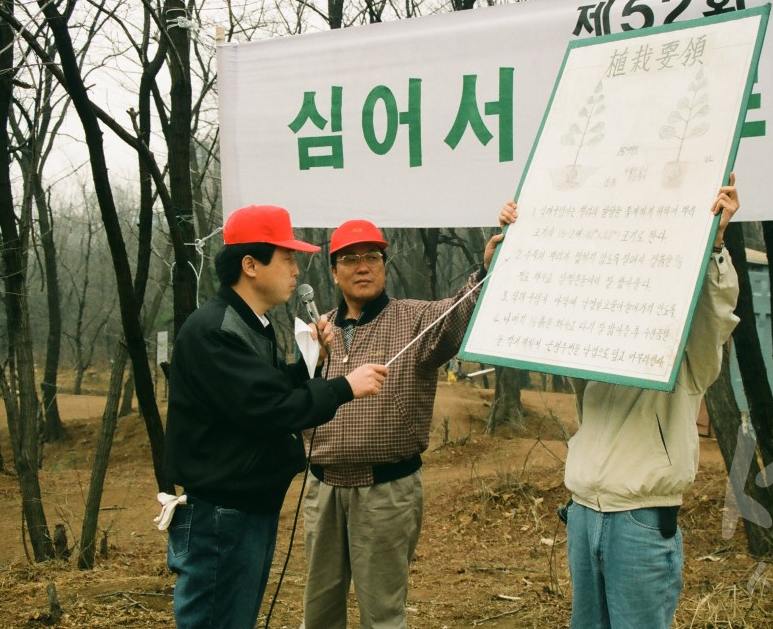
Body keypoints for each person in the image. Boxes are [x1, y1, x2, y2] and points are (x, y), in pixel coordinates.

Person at [162, 204, 388, 629]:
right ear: (250, 264)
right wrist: (344, 387)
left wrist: (308, 364)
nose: (296, 271)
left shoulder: (251, 323)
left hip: (244, 507)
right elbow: (267, 409)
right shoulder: (216, 329)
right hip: (221, 513)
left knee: (234, 617)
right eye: (286, 258)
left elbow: (258, 391)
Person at [301, 205, 515, 629]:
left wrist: (486, 270)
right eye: (350, 259)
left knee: (382, 612)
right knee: (319, 609)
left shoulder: (414, 318)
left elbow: (459, 312)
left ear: (384, 264)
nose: (363, 267)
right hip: (321, 489)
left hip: (386, 491)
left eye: (372, 257)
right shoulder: (316, 329)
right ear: (333, 270)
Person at [563, 176, 741, 629]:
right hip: (583, 512)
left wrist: (715, 246)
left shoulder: (688, 357)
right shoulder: (597, 338)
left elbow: (715, 317)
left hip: (640, 522)